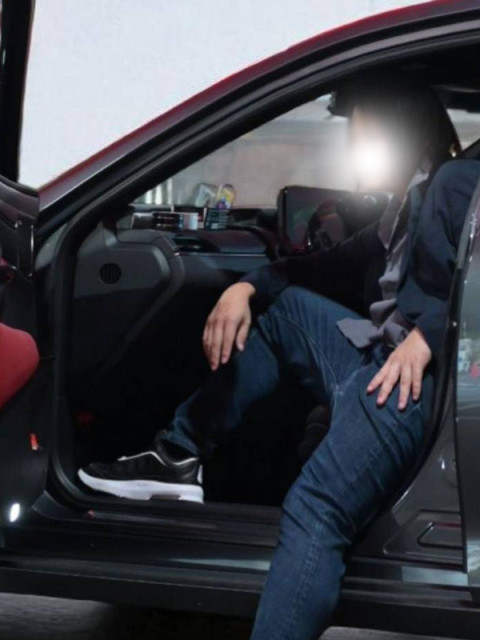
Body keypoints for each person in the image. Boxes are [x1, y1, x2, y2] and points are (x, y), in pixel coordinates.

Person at [78, 74, 479, 640]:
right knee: (287, 310)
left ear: (397, 130)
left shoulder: (459, 183)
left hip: (411, 383)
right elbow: (326, 267)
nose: (353, 145)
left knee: (315, 508)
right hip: (379, 359)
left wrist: (429, 332)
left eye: (362, 132)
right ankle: (178, 457)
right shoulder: (404, 207)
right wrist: (246, 287)